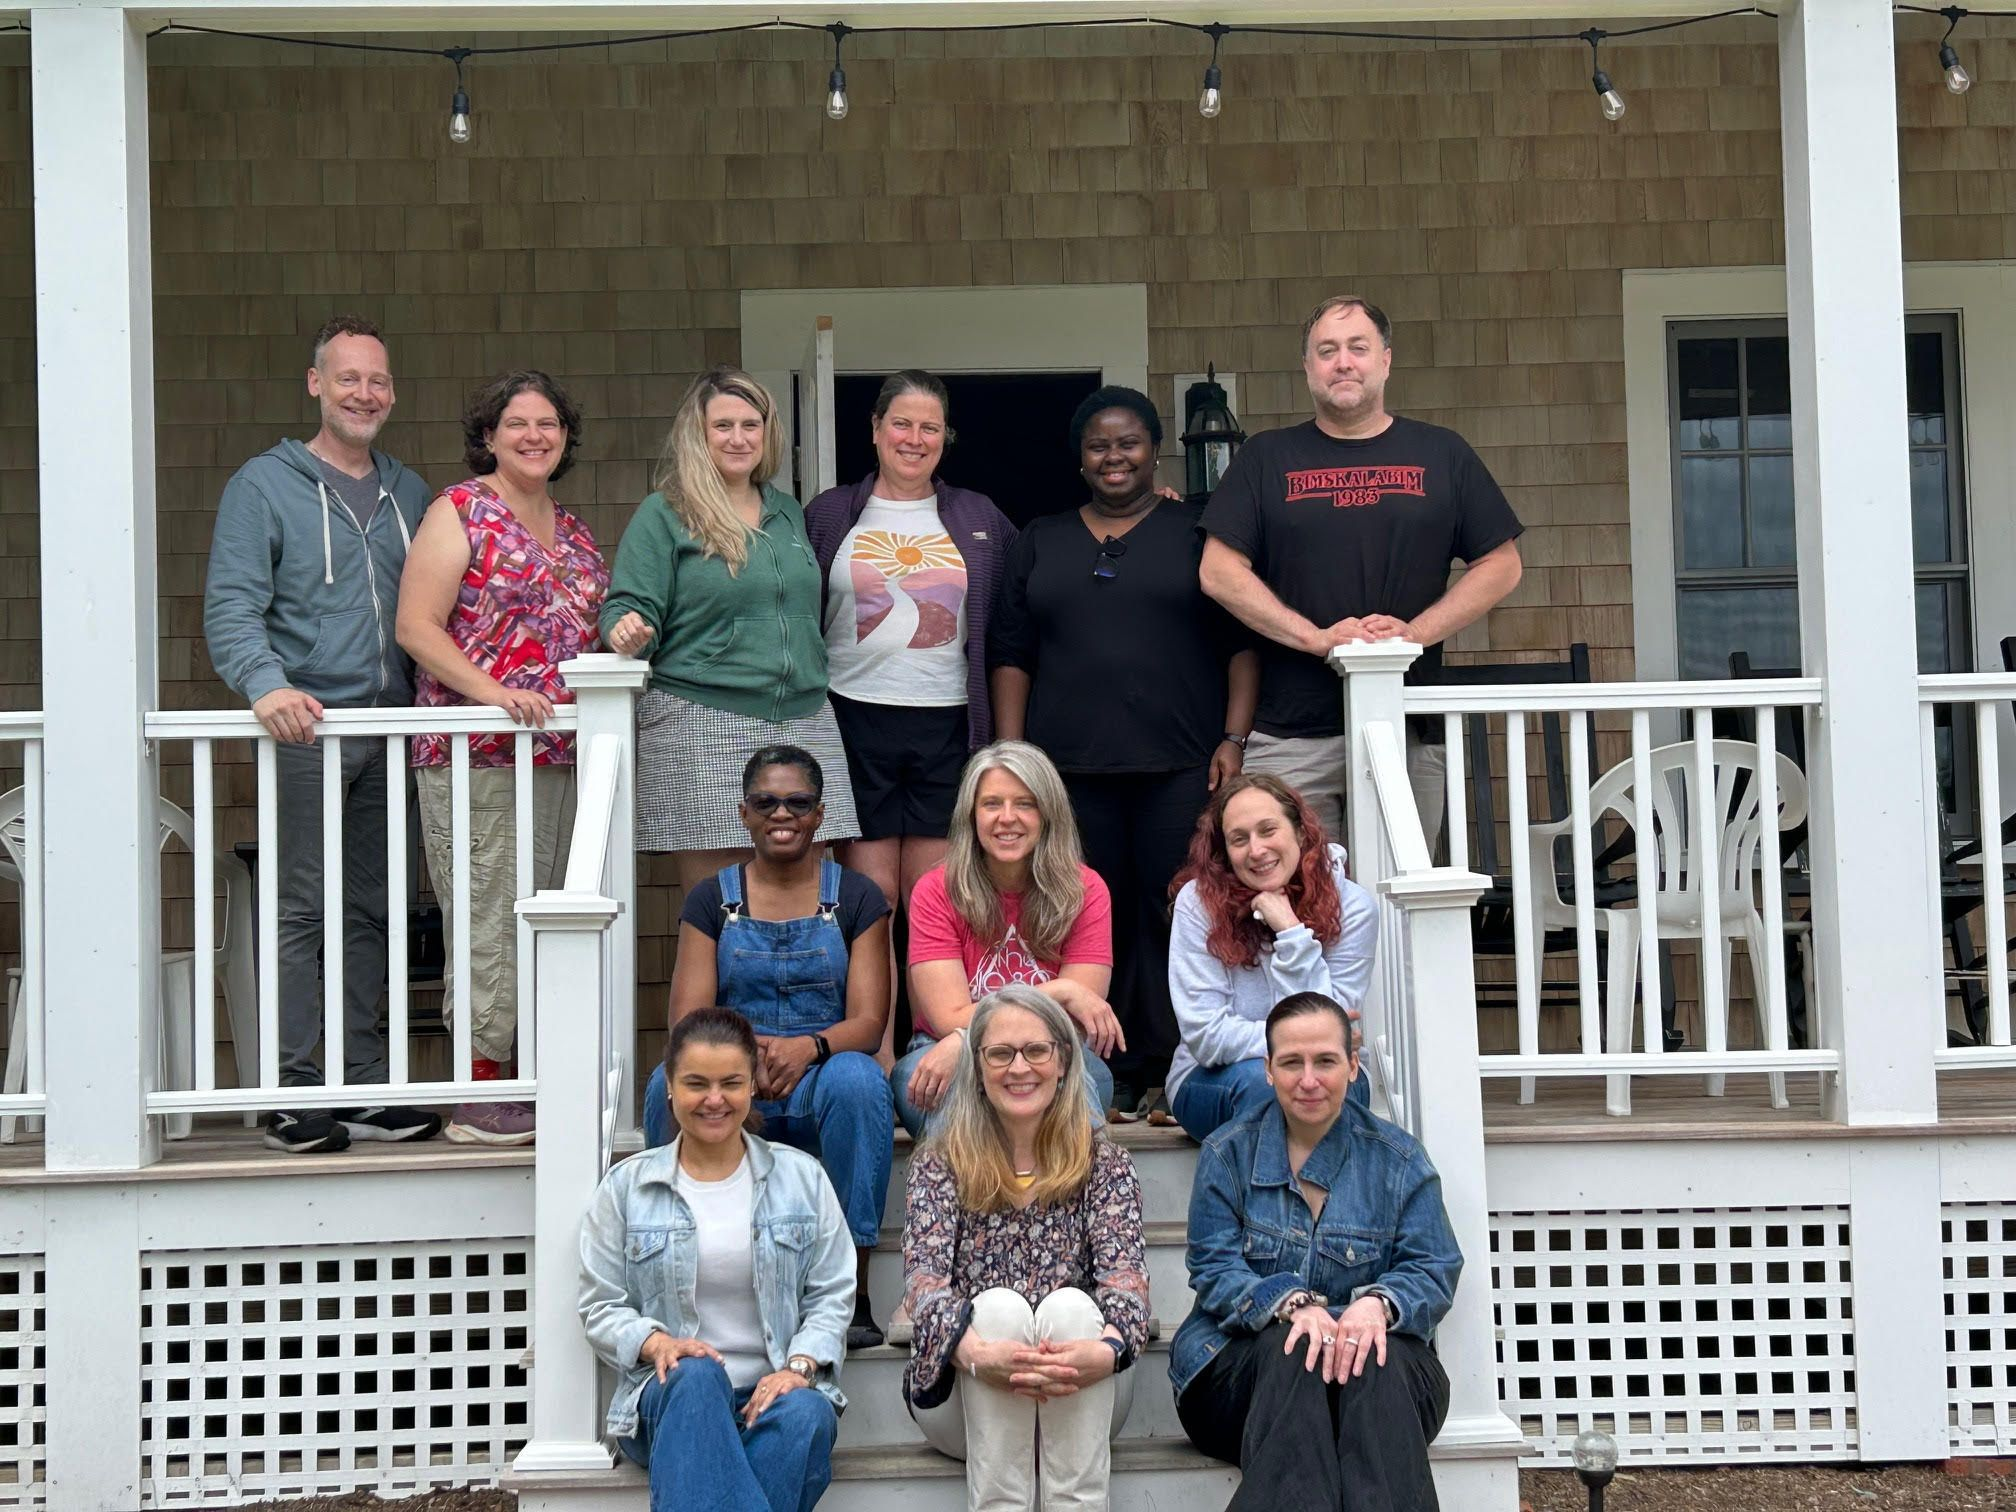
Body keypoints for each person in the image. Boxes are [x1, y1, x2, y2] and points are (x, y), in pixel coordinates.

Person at [202, 314, 440, 1154]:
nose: (364, 393)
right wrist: (266, 686)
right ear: (316, 385)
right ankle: (294, 1090)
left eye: (377, 381)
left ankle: (364, 1083)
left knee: (375, 909)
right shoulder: (264, 485)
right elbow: (232, 604)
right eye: (348, 379)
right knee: (302, 907)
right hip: (309, 729)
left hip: (391, 728)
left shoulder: (411, 493)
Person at [991, 384, 1257, 1120]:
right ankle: (1097, 1071)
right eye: (1099, 445)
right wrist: (1013, 755)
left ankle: (1175, 1064)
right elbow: (1012, 651)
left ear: (1154, 450)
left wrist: (1234, 740)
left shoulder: (1198, 531)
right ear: (1080, 459)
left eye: (1129, 442)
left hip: (1182, 762)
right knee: (1083, 913)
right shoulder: (1039, 540)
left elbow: (1240, 645)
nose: (1115, 456)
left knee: (1177, 909)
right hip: (1068, 768)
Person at [1199, 295, 1525, 848]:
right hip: (1292, 732)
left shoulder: (1441, 453)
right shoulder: (1266, 459)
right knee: (1291, 901)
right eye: (1326, 351)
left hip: (1407, 727)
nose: (1343, 362)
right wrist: (1317, 638)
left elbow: (1502, 564)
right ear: (1308, 368)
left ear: (1386, 360)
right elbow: (1218, 570)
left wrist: (1413, 635)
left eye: (1358, 348)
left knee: (1402, 903)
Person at [395, 369, 609, 1147]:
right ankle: (480, 1087)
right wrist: (493, 692)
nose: (533, 436)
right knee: (490, 914)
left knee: (543, 914)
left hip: (558, 756)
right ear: (489, 435)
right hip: (475, 752)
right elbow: (417, 626)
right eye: (517, 423)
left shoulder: (575, 530)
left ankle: (531, 1074)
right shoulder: (461, 511)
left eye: (548, 424)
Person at [638, 745, 895, 1348]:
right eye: (767, 802)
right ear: (744, 813)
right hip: (735, 1080)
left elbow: (868, 1021)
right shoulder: (712, 899)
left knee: (859, 1081)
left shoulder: (856, 896)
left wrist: (808, 1047)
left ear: (820, 814)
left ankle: (851, 1290)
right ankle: (670, 1274)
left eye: (798, 802)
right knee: (661, 1086)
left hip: (818, 1079)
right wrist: (743, 1064)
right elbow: (688, 1020)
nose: (783, 814)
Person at [1171, 991, 1459, 1511]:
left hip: (1380, 1392)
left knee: (1372, 1350)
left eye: (1326, 1060)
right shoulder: (1227, 1152)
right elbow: (1215, 1269)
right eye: (1291, 1063)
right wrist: (1291, 1305)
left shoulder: (1399, 1160)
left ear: (1352, 1066)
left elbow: (1434, 1266)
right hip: (1238, 1383)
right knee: (1295, 1346)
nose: (1309, 1079)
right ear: (1267, 1070)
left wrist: (1378, 1304)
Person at [805, 371, 1018, 1050]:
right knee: (873, 900)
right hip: (853, 718)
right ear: (874, 429)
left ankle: (931, 1049)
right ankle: (877, 1048)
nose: (914, 439)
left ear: (944, 438)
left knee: (933, 902)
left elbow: (1029, 582)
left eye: (930, 427)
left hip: (947, 721)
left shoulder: (978, 517)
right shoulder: (832, 513)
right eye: (902, 423)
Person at [580, 1008, 853, 1512]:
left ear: (752, 1085)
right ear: (669, 1087)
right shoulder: (627, 1188)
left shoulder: (803, 1178)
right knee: (697, 1371)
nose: (713, 1099)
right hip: (670, 1402)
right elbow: (600, 1305)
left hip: (772, 1392)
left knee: (806, 1416)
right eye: (695, 1083)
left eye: (730, 1082)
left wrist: (798, 1366)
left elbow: (832, 1293)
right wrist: (656, 1341)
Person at [600, 366, 859, 890]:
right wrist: (626, 628)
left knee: (812, 901)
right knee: (719, 907)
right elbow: (625, 604)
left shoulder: (787, 512)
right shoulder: (666, 513)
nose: (738, 438)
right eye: (722, 426)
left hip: (806, 716)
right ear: (697, 435)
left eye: (750, 425)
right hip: (705, 714)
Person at [901, 985, 1150, 1512]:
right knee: (997, 1309)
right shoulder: (940, 1162)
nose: (1020, 1068)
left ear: (1063, 1062)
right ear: (979, 1069)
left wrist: (1100, 1353)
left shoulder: (1104, 1163)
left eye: (1036, 1050)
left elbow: (1126, 1285)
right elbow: (924, 1288)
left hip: (1084, 1379)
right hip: (965, 1388)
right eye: (1000, 1053)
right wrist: (977, 1355)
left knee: (1070, 1307)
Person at [891, 741, 1120, 1138]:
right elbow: (947, 1017)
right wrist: (1061, 991)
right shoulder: (936, 889)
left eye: (1025, 804)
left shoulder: (1086, 890)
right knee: (936, 1093)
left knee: (1078, 1087)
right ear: (971, 814)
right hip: (942, 1047)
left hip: (1052, 1048)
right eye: (992, 804)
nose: (1007, 818)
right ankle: (963, 1199)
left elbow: (1075, 1021)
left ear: (1048, 813)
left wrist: (967, 1032)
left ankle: (1084, 1196)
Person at [1166, 774, 1378, 1141]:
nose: (1256, 850)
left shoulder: (1354, 907)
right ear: (1224, 853)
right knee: (1268, 1087)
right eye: (1239, 839)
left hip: (1326, 1075)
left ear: (1300, 832)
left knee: (1317, 1087)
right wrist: (1301, 1045)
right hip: (1211, 1078)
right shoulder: (1197, 903)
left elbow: (1324, 1033)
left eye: (1268, 830)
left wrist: (1291, 932)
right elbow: (1205, 1035)